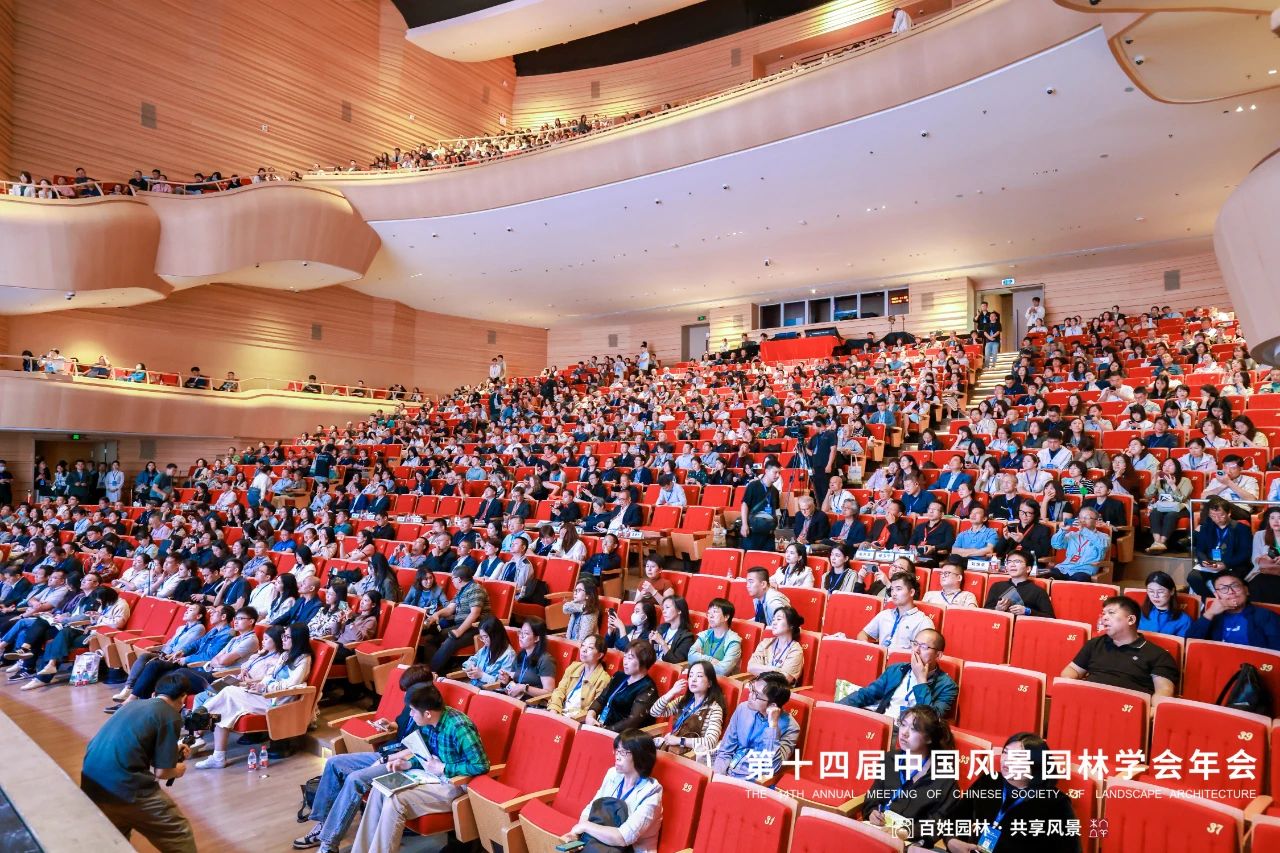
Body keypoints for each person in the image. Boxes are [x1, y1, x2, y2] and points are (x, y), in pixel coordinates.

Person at [293, 666, 436, 853]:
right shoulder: (412, 701)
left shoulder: (429, 709)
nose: (407, 695)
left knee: (355, 779)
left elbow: (418, 750)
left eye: (410, 690)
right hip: (388, 752)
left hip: (401, 763)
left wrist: (386, 759)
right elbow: (404, 725)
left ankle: (328, 844)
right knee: (334, 763)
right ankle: (323, 825)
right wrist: (390, 725)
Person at [349, 682, 490, 853]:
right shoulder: (429, 723)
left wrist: (443, 767)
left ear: (428, 713)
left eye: (413, 711)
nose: (410, 714)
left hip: (454, 784)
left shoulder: (459, 727)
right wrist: (408, 763)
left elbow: (481, 765)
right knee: (380, 788)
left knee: (396, 800)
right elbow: (425, 756)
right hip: (431, 777)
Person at [80, 672, 196, 853]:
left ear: (155, 693)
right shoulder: (170, 715)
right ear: (183, 697)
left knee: (116, 837)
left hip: (92, 783)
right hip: (127, 787)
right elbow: (163, 773)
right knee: (178, 833)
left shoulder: (132, 705)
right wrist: (178, 769)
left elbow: (134, 743)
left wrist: (173, 749)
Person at [194, 623, 313, 769]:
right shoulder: (285, 655)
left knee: (228, 692)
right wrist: (260, 685)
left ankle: (200, 719)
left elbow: (292, 684)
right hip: (265, 695)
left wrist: (266, 687)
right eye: (283, 636)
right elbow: (270, 676)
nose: (283, 639)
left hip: (278, 700)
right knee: (223, 706)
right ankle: (217, 756)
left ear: (297, 639)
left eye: (287, 637)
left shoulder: (303, 659)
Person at [939, 732, 1082, 853]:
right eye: (1005, 753)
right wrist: (951, 841)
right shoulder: (989, 781)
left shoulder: (1056, 803)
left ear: (1036, 764)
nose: (1006, 761)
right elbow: (954, 818)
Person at [862, 705, 960, 850]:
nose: (904, 733)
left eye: (914, 729)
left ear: (929, 738)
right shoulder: (889, 760)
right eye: (903, 725)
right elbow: (873, 798)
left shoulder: (944, 777)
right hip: (879, 831)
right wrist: (872, 812)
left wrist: (905, 832)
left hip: (911, 843)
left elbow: (938, 822)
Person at [560, 730, 664, 853]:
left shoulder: (652, 792)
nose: (617, 757)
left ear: (640, 757)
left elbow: (623, 838)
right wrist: (576, 835)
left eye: (623, 752)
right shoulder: (613, 774)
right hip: (600, 844)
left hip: (631, 849)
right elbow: (591, 808)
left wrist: (585, 827)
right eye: (617, 750)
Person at [1060, 596, 1177, 697]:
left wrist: (1150, 711)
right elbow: (1072, 670)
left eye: (1111, 613)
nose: (1104, 617)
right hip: (1089, 702)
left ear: (1131, 619)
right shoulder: (1094, 644)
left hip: (1128, 709)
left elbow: (1164, 691)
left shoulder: (1158, 655)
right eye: (1104, 613)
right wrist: (1070, 684)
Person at [839, 628, 957, 719]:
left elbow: (932, 720)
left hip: (912, 734)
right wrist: (839, 707)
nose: (916, 650)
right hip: (884, 723)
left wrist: (921, 680)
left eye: (924, 647)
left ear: (938, 655)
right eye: (915, 644)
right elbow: (867, 694)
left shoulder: (947, 686)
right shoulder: (896, 669)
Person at [711, 671, 798, 781]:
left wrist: (773, 727)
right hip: (726, 772)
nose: (750, 695)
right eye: (752, 688)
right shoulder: (743, 708)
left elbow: (772, 767)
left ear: (772, 705)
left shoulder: (791, 727)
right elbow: (725, 750)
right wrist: (717, 777)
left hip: (752, 781)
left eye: (756, 695)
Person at [649, 660, 727, 764]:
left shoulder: (714, 709)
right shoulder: (683, 701)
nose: (693, 679)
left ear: (709, 683)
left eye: (699, 676)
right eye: (690, 676)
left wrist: (680, 741)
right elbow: (654, 712)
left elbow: (710, 742)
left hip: (690, 757)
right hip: (670, 748)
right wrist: (671, 692)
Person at [1185, 573, 1280, 650]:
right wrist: (1209, 613)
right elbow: (1190, 643)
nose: (1231, 591)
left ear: (1246, 590)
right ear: (1217, 595)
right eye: (1223, 588)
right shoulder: (1212, 617)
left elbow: (1275, 652)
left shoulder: (1266, 616)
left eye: (1235, 586)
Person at [426, 562, 490, 673]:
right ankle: (437, 670)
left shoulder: (476, 589)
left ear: (459, 579)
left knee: (451, 640)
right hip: (461, 625)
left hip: (477, 627)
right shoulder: (461, 591)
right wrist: (437, 614)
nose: (452, 581)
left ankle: (430, 673)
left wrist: (459, 631)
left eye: (453, 578)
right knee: (431, 639)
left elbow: (475, 614)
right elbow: (450, 609)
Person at [584, 639, 659, 732]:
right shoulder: (619, 676)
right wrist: (590, 715)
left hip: (622, 735)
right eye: (625, 657)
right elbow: (601, 699)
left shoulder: (648, 688)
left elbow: (633, 721)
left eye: (630, 658)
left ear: (644, 661)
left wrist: (604, 730)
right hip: (600, 725)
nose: (625, 662)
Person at [1189, 498, 1253, 598]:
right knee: (1193, 577)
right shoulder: (1206, 528)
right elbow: (1200, 549)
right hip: (1211, 564)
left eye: (1221, 515)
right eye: (1213, 516)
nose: (1217, 519)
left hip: (1232, 565)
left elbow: (1245, 554)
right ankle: (1209, 600)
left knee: (1222, 580)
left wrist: (1225, 564)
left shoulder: (1241, 529)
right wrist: (1205, 561)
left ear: (1229, 513)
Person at [857, 572, 934, 652]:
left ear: (911, 592)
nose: (893, 593)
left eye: (898, 589)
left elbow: (926, 652)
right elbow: (862, 634)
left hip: (904, 659)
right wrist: (866, 645)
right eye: (892, 589)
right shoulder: (884, 614)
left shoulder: (923, 621)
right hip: (880, 657)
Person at [546, 634, 611, 721]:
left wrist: (570, 720)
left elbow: (593, 709)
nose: (584, 650)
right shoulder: (574, 667)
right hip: (559, 713)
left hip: (577, 720)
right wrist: (554, 710)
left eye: (590, 648)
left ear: (600, 655)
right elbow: (559, 691)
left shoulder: (603, 679)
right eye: (583, 645)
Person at [1048, 507, 1111, 581]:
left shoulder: (1103, 537)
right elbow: (1056, 545)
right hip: (1065, 568)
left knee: (1077, 580)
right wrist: (1062, 530)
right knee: (1049, 575)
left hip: (1084, 570)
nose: (1082, 520)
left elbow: (1103, 546)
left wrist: (1083, 530)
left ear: (1096, 521)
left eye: (1087, 517)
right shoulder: (1072, 534)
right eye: (1080, 517)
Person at [984, 552, 1055, 618]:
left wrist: (1028, 611)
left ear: (1028, 569)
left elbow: (1050, 617)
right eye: (1009, 562)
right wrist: (997, 609)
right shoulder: (997, 586)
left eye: (1017, 562)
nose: (1012, 565)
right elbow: (985, 612)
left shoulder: (1038, 591)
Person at [746, 606, 805, 684]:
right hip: (759, 685)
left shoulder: (795, 650)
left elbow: (785, 678)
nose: (773, 623)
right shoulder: (765, 643)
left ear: (791, 625)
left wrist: (762, 669)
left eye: (779, 619)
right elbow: (750, 667)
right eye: (773, 619)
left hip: (777, 690)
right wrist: (776, 670)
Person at [1145, 457, 1192, 553]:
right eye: (1164, 465)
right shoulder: (1160, 480)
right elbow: (1148, 495)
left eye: (1170, 465)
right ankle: (1157, 542)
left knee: (1171, 515)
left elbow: (1182, 499)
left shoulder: (1185, 480)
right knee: (1154, 512)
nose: (1166, 467)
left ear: (1177, 467)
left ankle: (1161, 542)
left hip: (1180, 508)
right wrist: (1153, 482)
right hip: (1163, 507)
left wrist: (1172, 485)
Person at [686, 597, 742, 676]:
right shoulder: (705, 635)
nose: (710, 616)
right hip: (702, 677)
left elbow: (723, 670)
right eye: (709, 613)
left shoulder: (733, 641)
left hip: (722, 681)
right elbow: (691, 656)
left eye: (715, 612)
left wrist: (700, 661)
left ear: (726, 617)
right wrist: (711, 660)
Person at [458, 615, 515, 688]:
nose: (483, 640)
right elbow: (473, 659)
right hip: (475, 686)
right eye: (481, 637)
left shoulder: (509, 655)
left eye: (485, 637)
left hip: (490, 691)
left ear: (496, 636)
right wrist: (470, 667)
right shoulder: (487, 647)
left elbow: (504, 684)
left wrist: (482, 675)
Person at [738, 459, 781, 552]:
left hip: (768, 534)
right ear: (766, 471)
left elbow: (776, 511)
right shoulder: (753, 486)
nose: (778, 475)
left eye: (779, 473)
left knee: (768, 558)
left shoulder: (775, 491)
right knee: (750, 557)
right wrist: (744, 525)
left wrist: (776, 526)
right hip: (752, 532)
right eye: (775, 472)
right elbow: (745, 504)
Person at [1138, 571, 1192, 637]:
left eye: (1160, 592)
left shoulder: (1184, 620)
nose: (1155, 596)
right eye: (1151, 591)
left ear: (1172, 591)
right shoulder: (1139, 613)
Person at [648, 595, 695, 664]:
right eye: (663, 608)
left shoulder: (687, 637)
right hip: (653, 664)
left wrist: (663, 643)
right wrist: (650, 642)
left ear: (679, 610)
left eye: (667, 607)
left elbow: (676, 662)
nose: (664, 611)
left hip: (665, 668)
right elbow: (654, 651)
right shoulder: (662, 628)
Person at [1247, 506, 1280, 604]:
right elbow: (1255, 560)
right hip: (1264, 571)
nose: (1276, 521)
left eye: (1279, 518)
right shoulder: (1260, 535)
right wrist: (1265, 559)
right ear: (1268, 521)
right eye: (1272, 518)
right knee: (1259, 584)